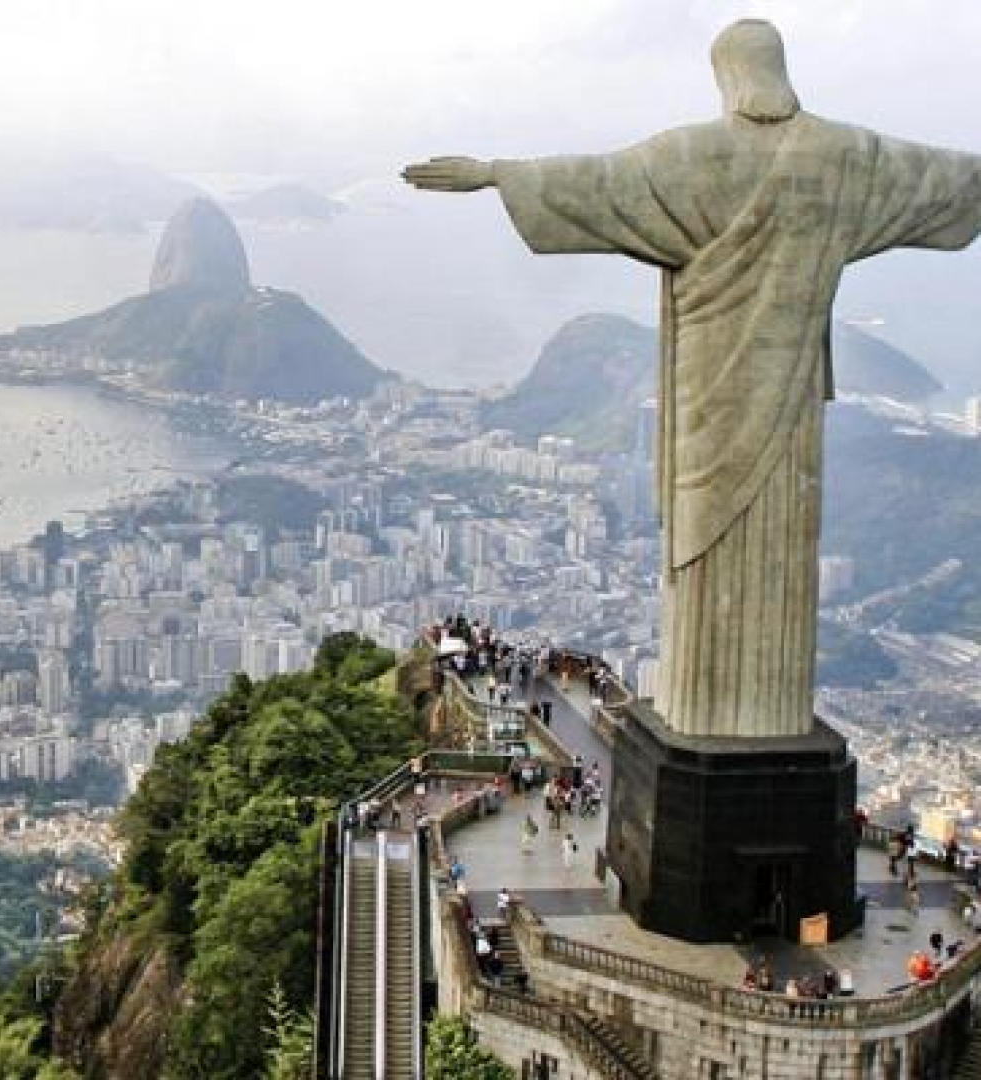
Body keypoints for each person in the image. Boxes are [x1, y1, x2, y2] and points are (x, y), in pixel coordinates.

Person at [404, 18, 981, 740]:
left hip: (708, 395)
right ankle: (764, 714)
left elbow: (598, 183)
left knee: (705, 548)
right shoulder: (844, 158)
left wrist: (497, 172)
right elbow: (949, 179)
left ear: (727, 75)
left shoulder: (691, 156)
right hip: (792, 400)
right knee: (778, 545)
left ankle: (706, 708)